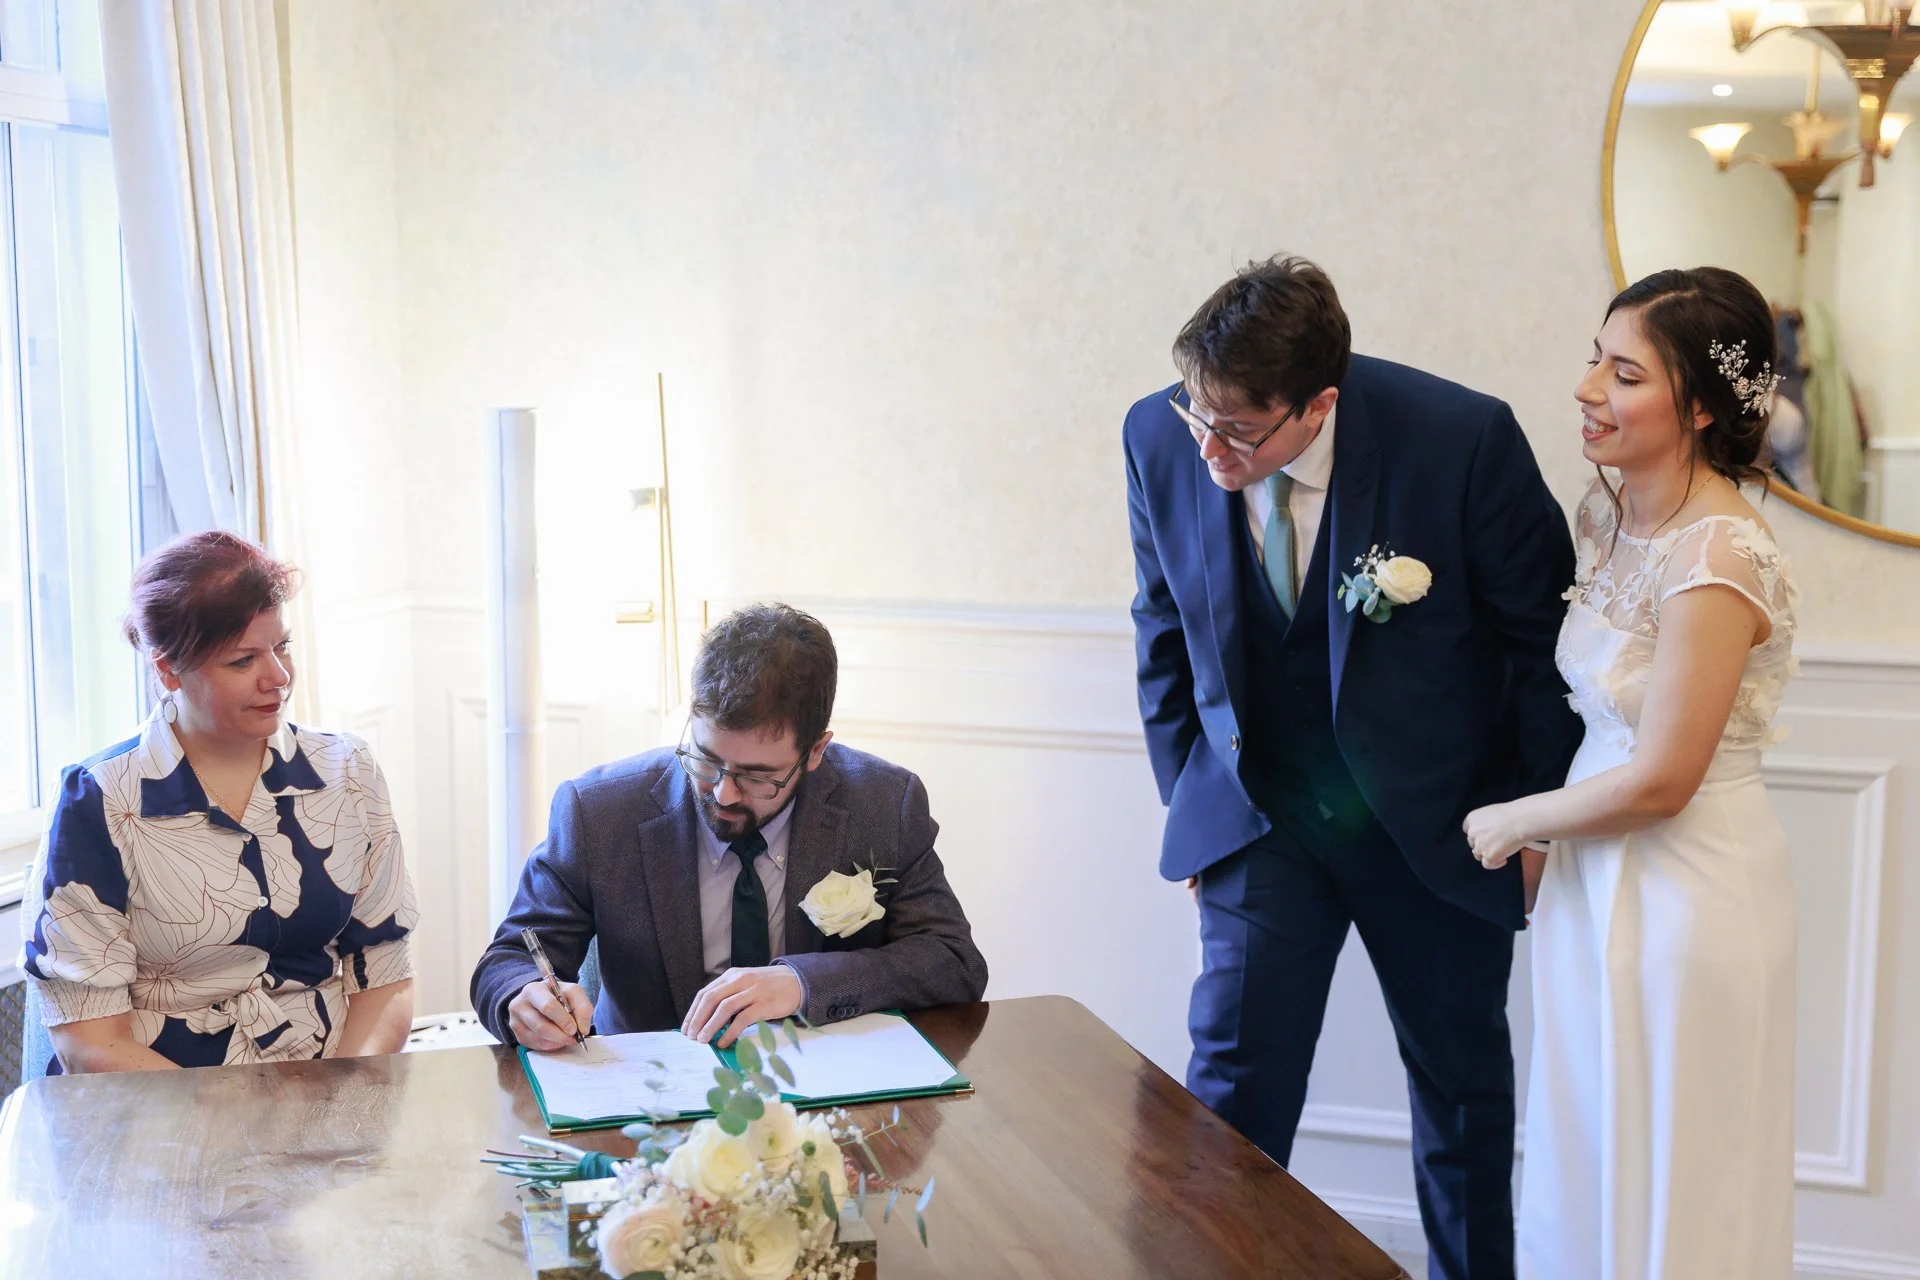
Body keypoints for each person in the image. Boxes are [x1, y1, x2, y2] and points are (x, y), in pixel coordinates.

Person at [1124, 255, 1582, 1280]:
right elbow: (1162, 624)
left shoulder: (1460, 441)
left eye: (1239, 429)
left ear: (1318, 403)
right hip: (1260, 821)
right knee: (1231, 1092)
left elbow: (1540, 647)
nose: (1208, 445)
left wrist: (1530, 819)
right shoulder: (1157, 435)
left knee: (1462, 1096)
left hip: (1436, 824)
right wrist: (1191, 801)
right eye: (1195, 409)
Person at [1465, 267, 1799, 1279]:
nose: (1586, 389)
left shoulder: (1719, 555)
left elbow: (1663, 777)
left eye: (1623, 374)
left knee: (1680, 1165)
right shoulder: (1609, 517)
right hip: (1593, 878)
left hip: (1688, 893)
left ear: (1699, 405)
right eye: (1593, 361)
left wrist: (1518, 818)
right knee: (1590, 1146)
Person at [471, 603, 988, 1052]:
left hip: (829, 1101)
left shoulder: (883, 804)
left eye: (758, 776)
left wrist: (801, 984)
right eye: (705, 759)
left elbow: (953, 960)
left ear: (815, 752)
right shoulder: (599, 812)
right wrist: (524, 1000)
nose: (723, 793)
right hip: (648, 1108)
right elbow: (510, 960)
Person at [20, 531, 419, 1073]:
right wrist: (233, 1133)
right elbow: (90, 1043)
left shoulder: (347, 773)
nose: (277, 678)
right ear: (167, 670)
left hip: (327, 1096)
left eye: (281, 647)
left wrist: (336, 1107)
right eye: (242, 660)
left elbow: (386, 976)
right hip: (162, 1113)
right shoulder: (100, 801)